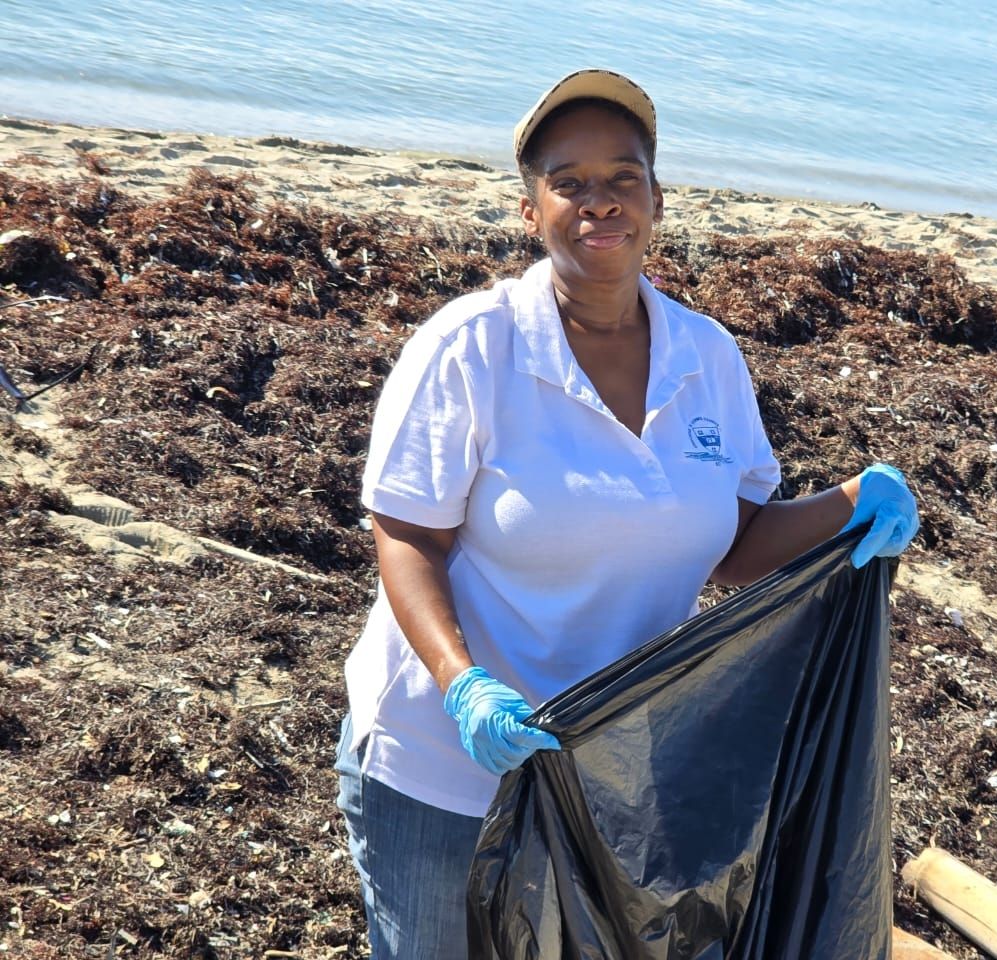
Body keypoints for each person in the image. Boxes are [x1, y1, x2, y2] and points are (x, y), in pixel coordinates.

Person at [335, 68, 919, 959]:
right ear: (531, 210)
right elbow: (408, 534)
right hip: (448, 765)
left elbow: (737, 544)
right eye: (568, 181)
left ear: (656, 199)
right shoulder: (470, 346)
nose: (598, 202)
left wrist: (851, 504)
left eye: (623, 177)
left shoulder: (707, 355)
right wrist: (465, 685)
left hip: (610, 773)